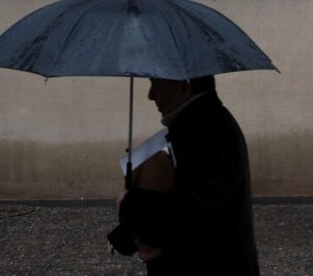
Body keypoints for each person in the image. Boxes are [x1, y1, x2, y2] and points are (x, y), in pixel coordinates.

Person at [107, 76, 260, 275]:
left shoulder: (204, 130)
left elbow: (190, 215)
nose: (151, 95)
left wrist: (129, 203)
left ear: (184, 85)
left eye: (155, 83)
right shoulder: (200, 123)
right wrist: (125, 234)